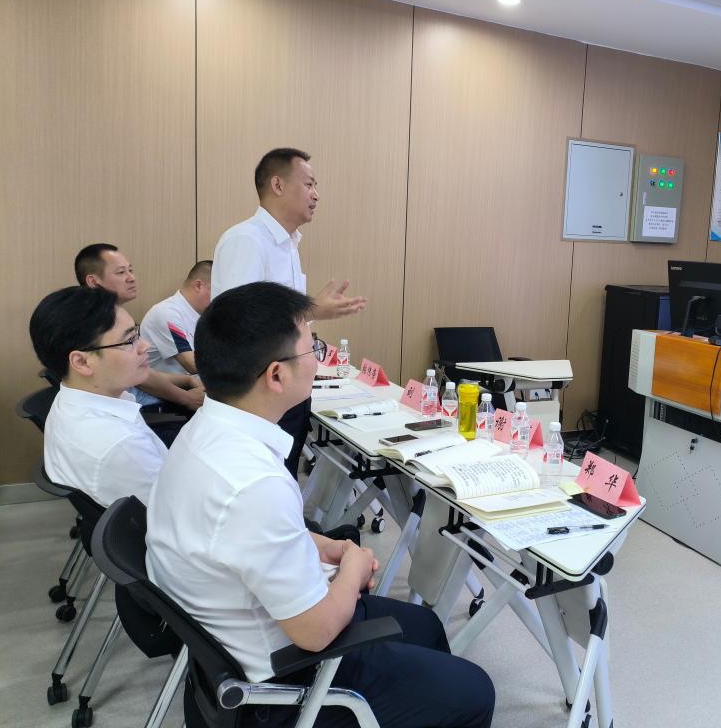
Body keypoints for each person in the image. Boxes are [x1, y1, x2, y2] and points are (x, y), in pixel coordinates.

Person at [146, 282, 494, 728]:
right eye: (313, 348)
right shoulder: (256, 484)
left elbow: (238, 537)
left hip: (234, 639)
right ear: (276, 375)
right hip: (285, 679)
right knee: (474, 692)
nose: (318, 359)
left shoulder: (204, 434)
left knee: (424, 628)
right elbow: (315, 632)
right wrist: (353, 566)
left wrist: (322, 545)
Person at [211, 148, 366, 474]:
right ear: (278, 185)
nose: (316, 195)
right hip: (258, 395)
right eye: (309, 184)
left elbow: (282, 316)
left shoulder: (289, 244)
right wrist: (312, 310)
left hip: (289, 389)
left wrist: (310, 313)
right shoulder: (247, 241)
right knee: (264, 479)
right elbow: (238, 324)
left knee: (286, 476)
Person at [29, 286, 167, 507]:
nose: (145, 346)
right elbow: (177, 511)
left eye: (137, 333)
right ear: (82, 362)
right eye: (130, 340)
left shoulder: (73, 394)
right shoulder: (121, 445)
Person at [73, 243, 205, 420]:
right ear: (93, 281)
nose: (131, 278)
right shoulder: (95, 324)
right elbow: (137, 377)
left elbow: (143, 372)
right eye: (121, 272)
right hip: (138, 410)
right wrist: (186, 398)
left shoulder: (113, 315)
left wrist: (186, 381)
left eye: (130, 270)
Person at [141, 260, 212, 375]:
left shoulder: (202, 314)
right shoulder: (167, 313)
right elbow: (193, 365)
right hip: (168, 385)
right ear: (198, 285)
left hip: (194, 382)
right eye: (216, 290)